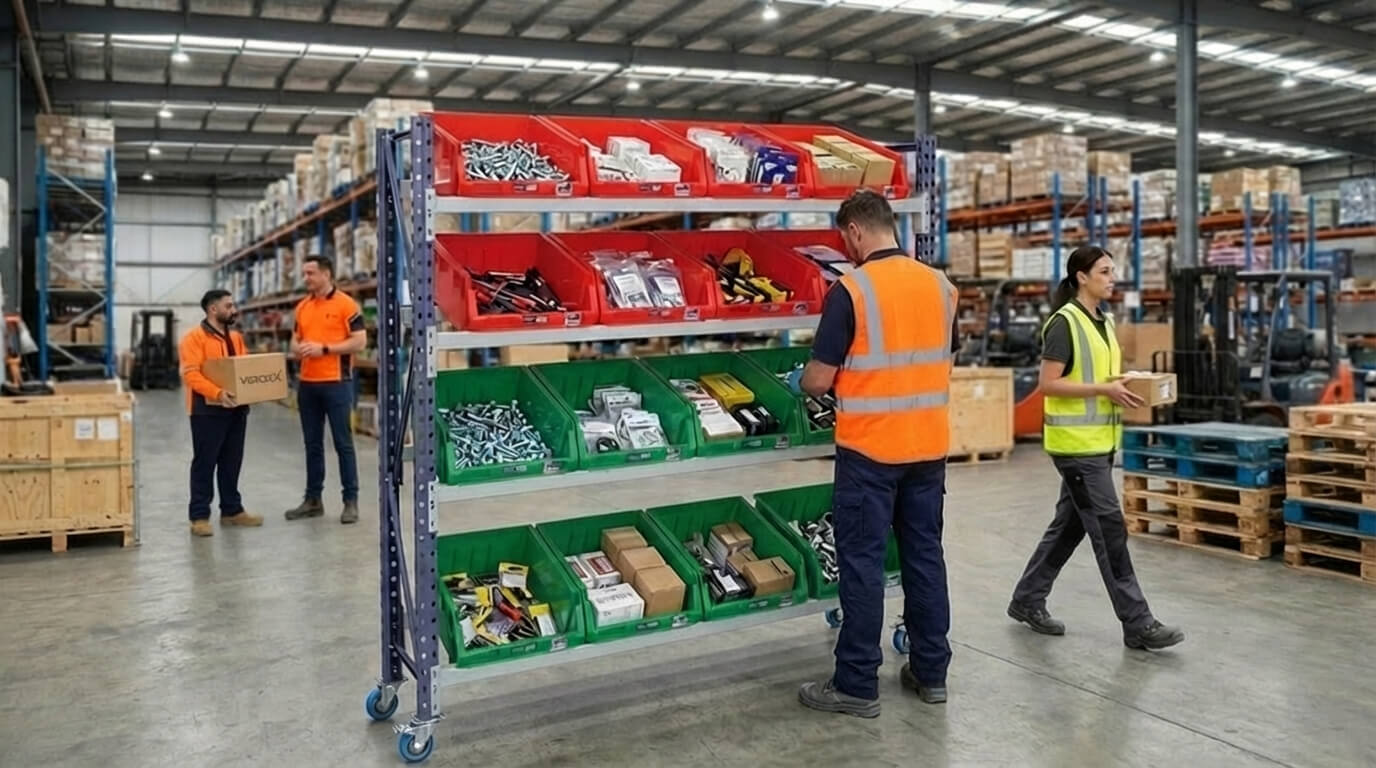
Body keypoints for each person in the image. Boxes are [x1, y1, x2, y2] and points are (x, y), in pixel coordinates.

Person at [794, 189, 960, 718]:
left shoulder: (852, 290)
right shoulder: (941, 287)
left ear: (855, 232)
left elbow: (818, 381)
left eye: (846, 238)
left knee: (862, 566)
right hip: (928, 448)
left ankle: (857, 685)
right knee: (924, 558)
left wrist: (803, 381)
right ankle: (931, 673)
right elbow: (941, 363)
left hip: (870, 452)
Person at [1007, 245, 1184, 651]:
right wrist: (1105, 388)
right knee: (1109, 528)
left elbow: (1098, 376)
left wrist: (1126, 381)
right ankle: (1138, 622)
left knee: (1069, 527)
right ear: (1081, 277)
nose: (1112, 278)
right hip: (1075, 448)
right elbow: (1048, 384)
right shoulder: (1064, 323)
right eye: (1104, 271)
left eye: (1113, 271)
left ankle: (1027, 599)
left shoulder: (1103, 322)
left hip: (1100, 443)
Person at [284, 255, 367, 525]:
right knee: (312, 445)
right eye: (304, 273)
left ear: (327, 274)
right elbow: (294, 342)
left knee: (343, 444)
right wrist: (300, 349)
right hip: (307, 384)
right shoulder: (302, 307)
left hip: (337, 383)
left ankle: (350, 501)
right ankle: (313, 500)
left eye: (311, 273)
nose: (306, 278)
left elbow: (359, 341)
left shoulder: (346, 305)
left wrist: (325, 349)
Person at [179, 289, 263, 537]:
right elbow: (191, 374)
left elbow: (243, 368)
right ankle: (199, 516)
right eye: (229, 306)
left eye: (233, 305)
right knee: (205, 462)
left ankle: (231, 510)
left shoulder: (235, 337)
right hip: (206, 410)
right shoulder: (193, 338)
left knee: (231, 461)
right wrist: (217, 393)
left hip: (236, 408)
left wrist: (252, 390)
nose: (233, 310)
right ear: (213, 309)